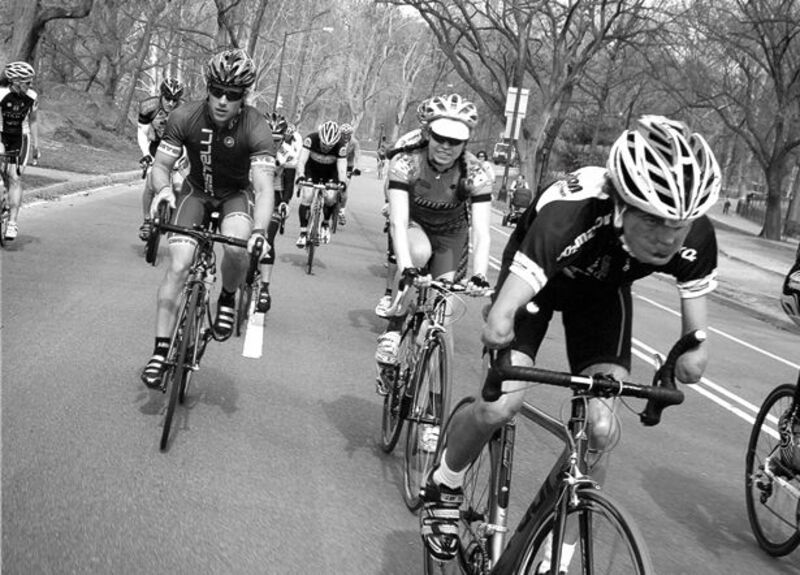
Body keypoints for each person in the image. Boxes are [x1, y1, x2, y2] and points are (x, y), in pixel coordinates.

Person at [419, 115, 721, 568]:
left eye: (679, 224)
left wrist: (689, 358)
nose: (669, 238)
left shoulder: (693, 234)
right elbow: (502, 316)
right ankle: (445, 480)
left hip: (601, 295)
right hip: (538, 283)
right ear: (621, 206)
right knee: (501, 405)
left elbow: (695, 343)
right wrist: (499, 332)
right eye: (655, 221)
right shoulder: (571, 214)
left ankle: (554, 555)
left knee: (601, 429)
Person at [140, 48, 275, 389]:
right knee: (178, 263)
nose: (222, 100)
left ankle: (228, 296)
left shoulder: (256, 125)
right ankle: (159, 352)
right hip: (195, 192)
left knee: (236, 248)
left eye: (232, 95)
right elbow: (160, 166)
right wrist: (163, 190)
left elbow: (263, 186)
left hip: (234, 196)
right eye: (216, 90)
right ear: (207, 88)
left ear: (243, 98)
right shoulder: (184, 116)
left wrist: (260, 230)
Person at [375, 93, 493, 375]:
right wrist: (405, 268)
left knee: (444, 315)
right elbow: (398, 221)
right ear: (428, 133)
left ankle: (427, 396)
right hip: (414, 226)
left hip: (451, 236)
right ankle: (394, 329)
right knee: (417, 254)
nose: (446, 146)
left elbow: (481, 231)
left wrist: (479, 274)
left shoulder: (475, 172)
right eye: (440, 137)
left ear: (466, 143)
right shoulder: (406, 162)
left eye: (456, 141)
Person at [374, 98, 433, 318]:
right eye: (427, 125)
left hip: (437, 206)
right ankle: (390, 293)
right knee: (396, 250)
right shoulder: (407, 141)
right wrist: (390, 202)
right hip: (406, 194)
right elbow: (392, 179)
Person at [137, 77, 185, 241]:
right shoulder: (148, 107)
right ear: (161, 96)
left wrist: (183, 160)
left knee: (179, 187)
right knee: (150, 185)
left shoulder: (185, 110)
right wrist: (146, 155)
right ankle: (146, 221)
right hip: (156, 147)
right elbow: (142, 133)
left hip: (177, 148)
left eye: (175, 100)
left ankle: (175, 221)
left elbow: (189, 139)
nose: (171, 103)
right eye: (168, 99)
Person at [0, 61, 40, 241]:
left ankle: (12, 223)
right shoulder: (1, 94)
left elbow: (33, 121)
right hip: (1, 133)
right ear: (15, 81)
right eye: (27, 82)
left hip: (21, 137)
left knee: (15, 178)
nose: (30, 86)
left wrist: (36, 145)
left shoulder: (32, 96)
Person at [293, 120, 348, 247]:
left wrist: (342, 181)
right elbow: (301, 161)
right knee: (307, 196)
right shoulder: (311, 139)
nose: (326, 148)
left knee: (330, 197)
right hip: (312, 170)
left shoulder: (341, 146)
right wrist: (301, 176)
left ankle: (325, 223)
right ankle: (302, 232)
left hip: (330, 173)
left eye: (330, 146)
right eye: (324, 144)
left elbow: (341, 167)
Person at [339, 122, 360, 226]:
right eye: (343, 134)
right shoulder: (337, 140)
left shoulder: (354, 142)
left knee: (344, 188)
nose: (346, 136)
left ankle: (342, 211)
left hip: (348, 165)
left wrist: (357, 167)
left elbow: (357, 155)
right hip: (338, 163)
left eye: (348, 134)